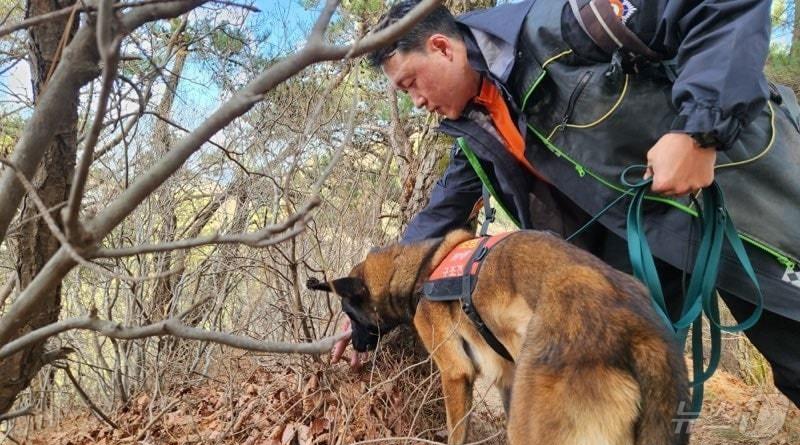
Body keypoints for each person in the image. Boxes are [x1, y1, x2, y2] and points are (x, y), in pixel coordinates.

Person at [330, 0, 800, 408]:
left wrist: (700, 131)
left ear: (441, 47)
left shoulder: (566, 24)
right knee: (629, 390)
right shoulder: (476, 131)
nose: (415, 102)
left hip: (741, 200)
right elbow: (435, 220)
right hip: (642, 248)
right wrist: (364, 314)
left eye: (411, 83)